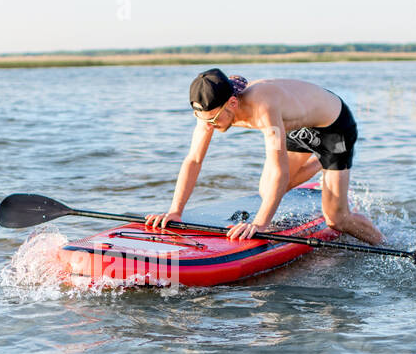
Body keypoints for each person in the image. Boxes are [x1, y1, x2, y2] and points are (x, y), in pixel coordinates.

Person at [145, 68, 383, 244]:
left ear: (232, 103)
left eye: (214, 120)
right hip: (295, 125)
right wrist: (175, 211)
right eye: (204, 120)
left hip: (334, 126)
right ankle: (323, 162)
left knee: (336, 219)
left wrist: (260, 224)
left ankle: (385, 242)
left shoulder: (263, 109)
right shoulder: (209, 114)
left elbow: (279, 170)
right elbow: (194, 160)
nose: (210, 126)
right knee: (267, 190)